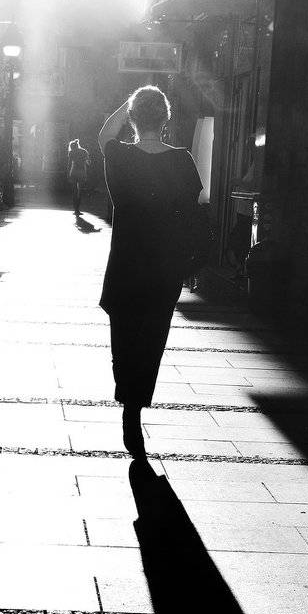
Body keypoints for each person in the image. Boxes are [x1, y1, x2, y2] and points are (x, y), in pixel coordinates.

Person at [97, 86, 203, 458]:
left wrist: (128, 104)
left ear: (133, 119)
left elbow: (105, 134)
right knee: (152, 339)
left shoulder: (121, 156)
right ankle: (136, 405)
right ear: (166, 119)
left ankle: (126, 397)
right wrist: (192, 263)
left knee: (123, 337)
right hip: (164, 267)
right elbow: (193, 215)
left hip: (126, 264)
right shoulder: (182, 160)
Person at [67, 138, 90, 216]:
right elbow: (88, 163)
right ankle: (78, 209)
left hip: (73, 172)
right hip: (82, 172)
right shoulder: (84, 152)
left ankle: (75, 209)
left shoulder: (71, 152)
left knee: (74, 191)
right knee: (80, 191)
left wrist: (68, 174)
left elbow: (69, 164)